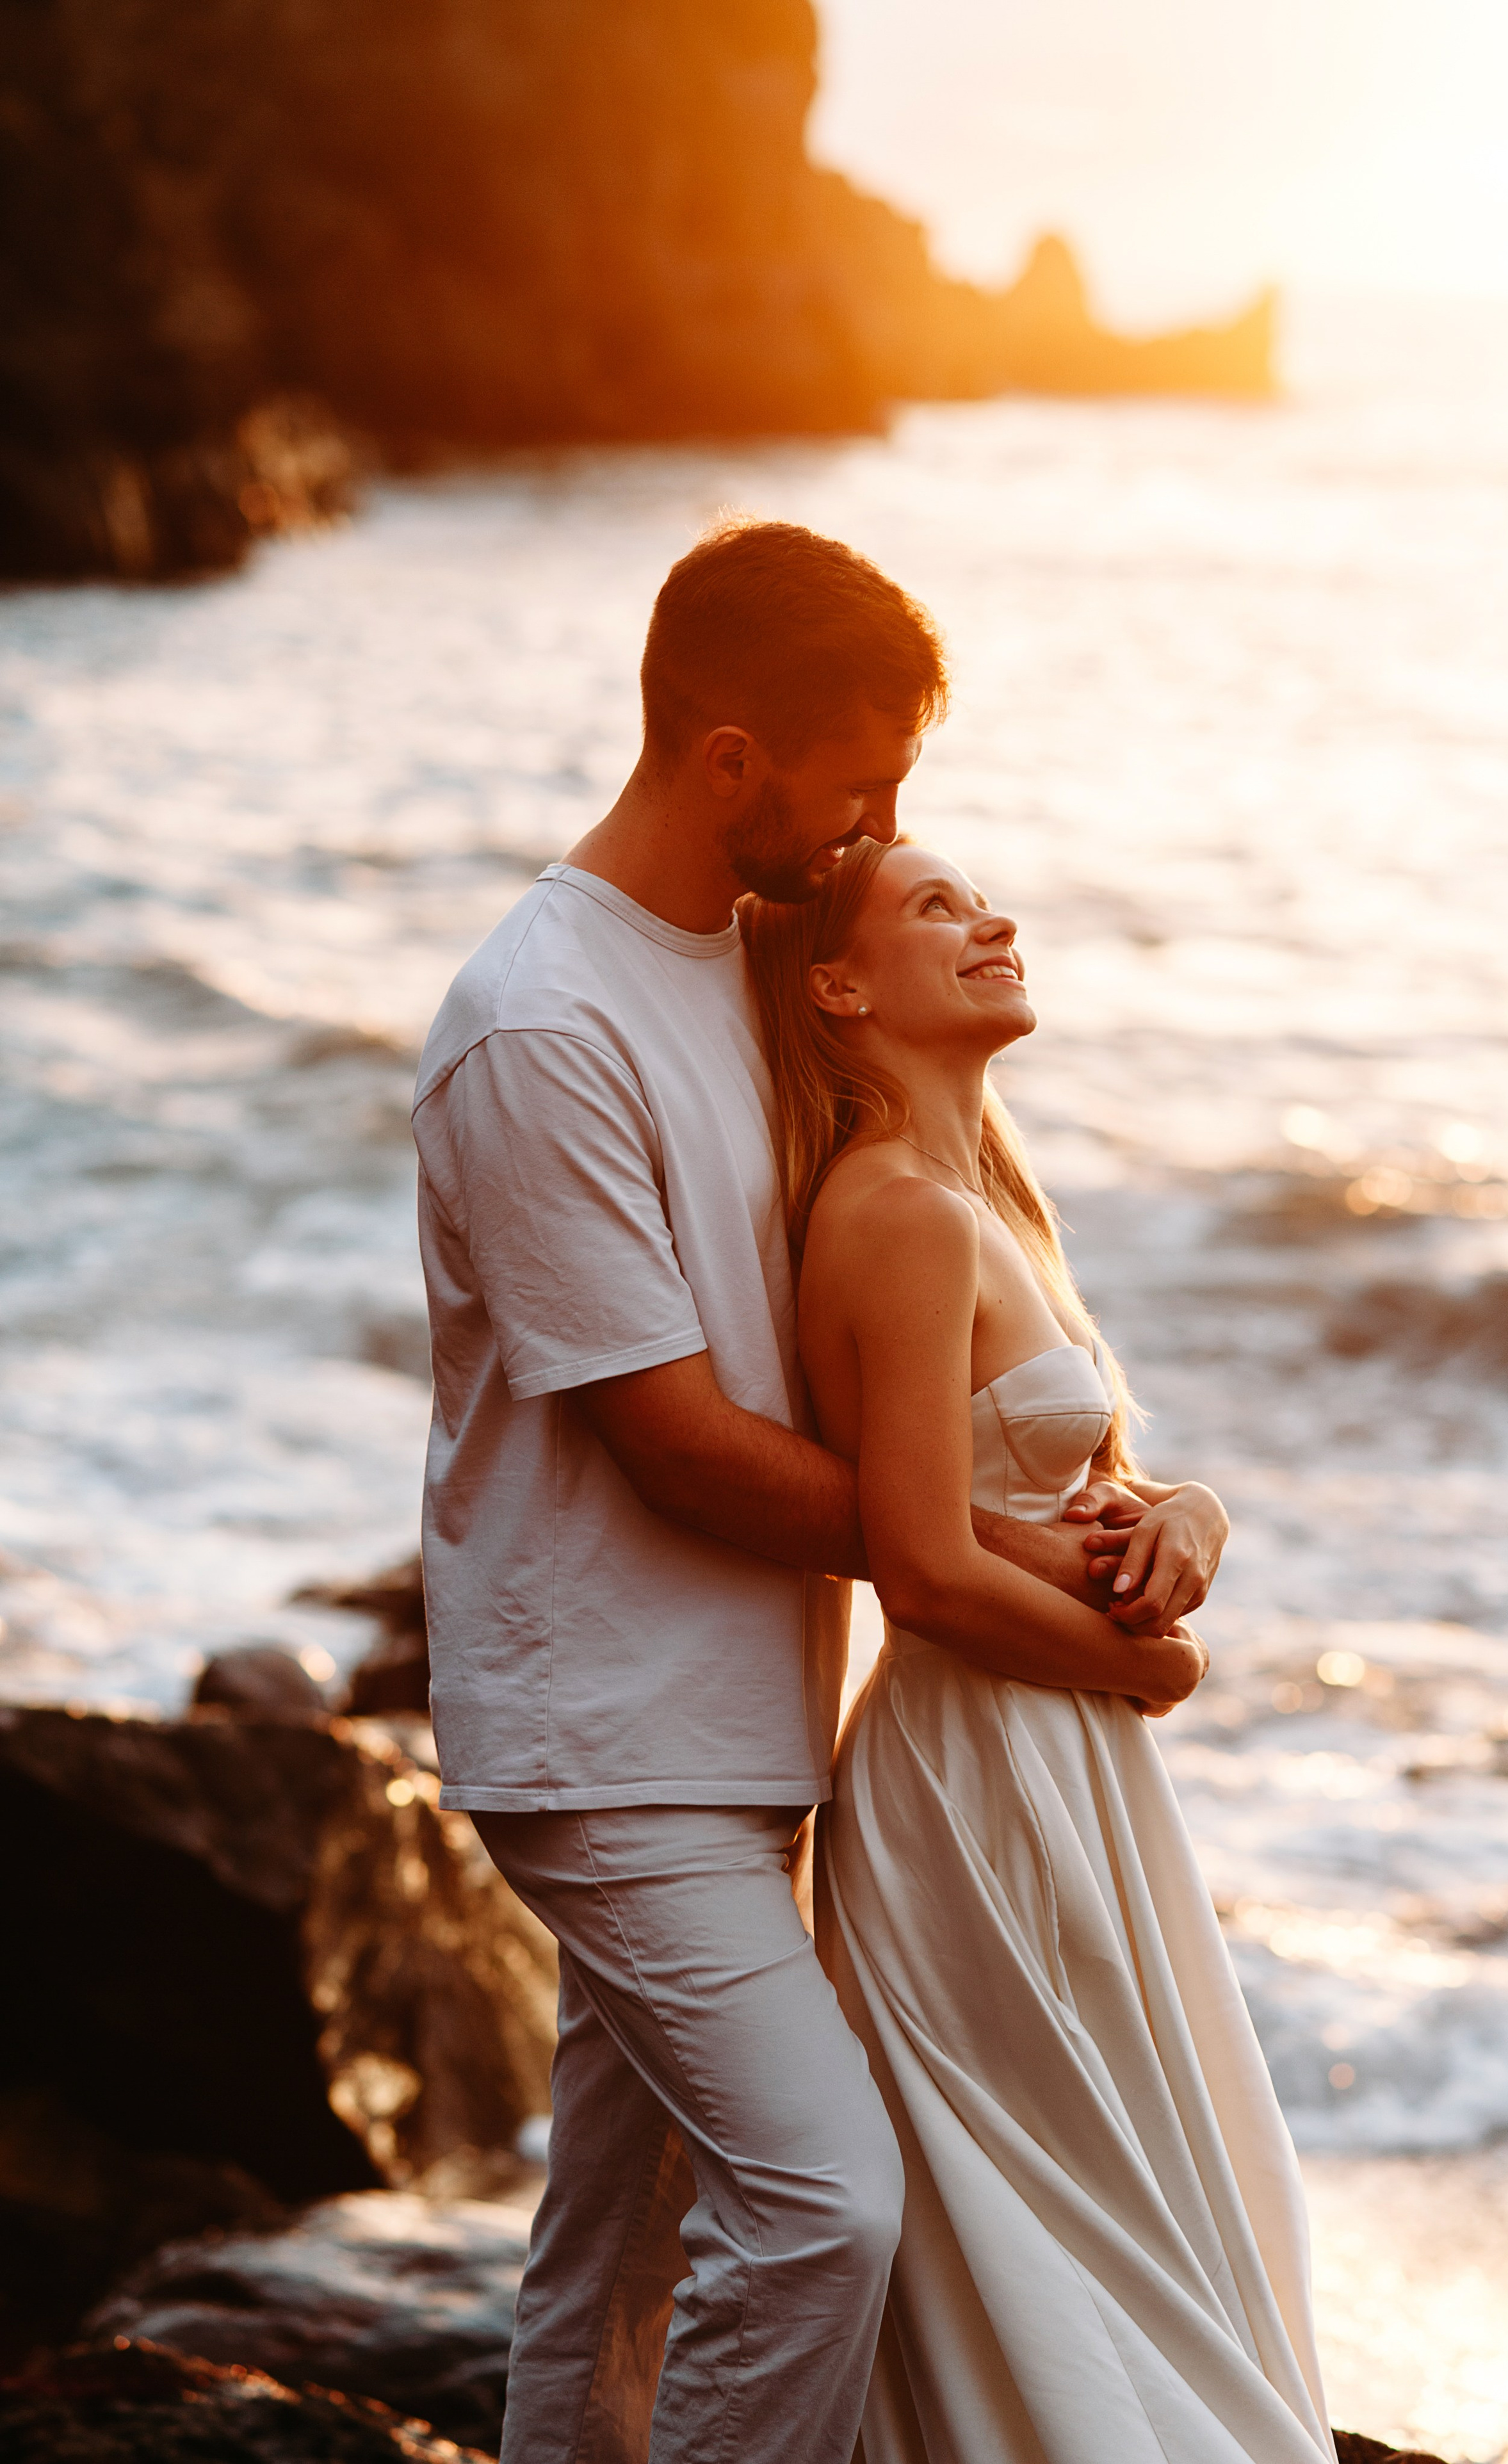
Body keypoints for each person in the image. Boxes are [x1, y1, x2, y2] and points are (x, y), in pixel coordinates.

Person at [410, 519, 1215, 2464]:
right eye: (861, 780)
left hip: (749, 1723)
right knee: (823, 2203)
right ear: (730, 759)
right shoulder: (543, 1023)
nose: (883, 826)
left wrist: (1126, 1499)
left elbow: (914, 1322)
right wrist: (985, 1553)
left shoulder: (744, 966)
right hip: (603, 1737)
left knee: (612, 2257)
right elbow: (671, 1435)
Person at [740, 836, 1336, 2464]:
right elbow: (921, 1566)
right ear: (839, 987)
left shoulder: (985, 1196)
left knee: (1146, 2172)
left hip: (1050, 1755)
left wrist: (1187, 1514)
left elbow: (1079, 1485)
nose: (992, 919)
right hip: (981, 1767)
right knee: (1060, 2209)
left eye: (981, 899)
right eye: (936, 906)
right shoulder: (893, 1213)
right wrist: (1151, 1671)